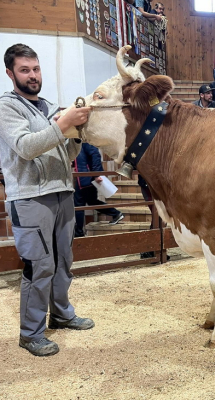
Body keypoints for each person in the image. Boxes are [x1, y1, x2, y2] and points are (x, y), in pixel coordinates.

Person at [0, 43, 94, 357]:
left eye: (36, 68)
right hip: (29, 197)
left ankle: (62, 314)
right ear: (10, 72)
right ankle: (31, 333)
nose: (33, 75)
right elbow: (26, 147)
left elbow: (67, 153)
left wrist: (77, 134)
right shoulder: (6, 107)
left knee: (63, 261)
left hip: (61, 191)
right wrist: (63, 124)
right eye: (25, 70)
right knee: (38, 266)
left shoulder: (52, 106)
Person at [73, 144, 124, 237]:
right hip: (84, 177)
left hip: (85, 177)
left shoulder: (84, 141)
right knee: (92, 201)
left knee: (78, 205)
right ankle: (116, 213)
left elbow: (95, 154)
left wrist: (97, 174)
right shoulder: (79, 142)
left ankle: (78, 234)